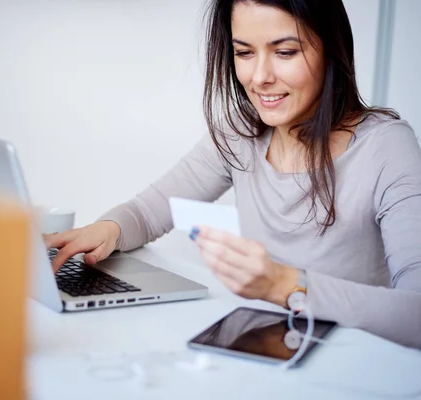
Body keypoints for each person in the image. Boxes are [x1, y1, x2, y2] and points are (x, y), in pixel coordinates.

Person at [45, 0, 421, 350]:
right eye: (244, 52)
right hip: (261, 347)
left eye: (285, 52)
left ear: (331, 50)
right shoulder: (241, 132)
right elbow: (151, 211)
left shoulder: (386, 146)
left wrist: (284, 285)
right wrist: (108, 229)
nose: (259, 77)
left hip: (353, 361)